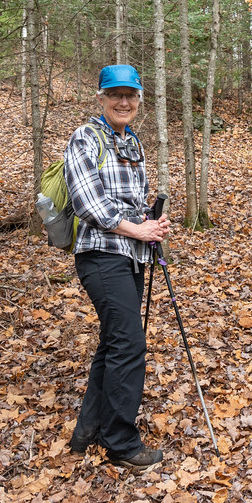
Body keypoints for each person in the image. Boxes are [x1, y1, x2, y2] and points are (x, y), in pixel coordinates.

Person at [64, 64, 170, 472]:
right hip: (100, 255)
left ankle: (87, 431)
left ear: (139, 99)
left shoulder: (131, 140)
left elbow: (132, 203)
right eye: (115, 95)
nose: (124, 102)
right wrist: (137, 229)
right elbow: (88, 204)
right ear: (101, 98)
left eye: (131, 95)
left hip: (131, 255)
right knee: (129, 345)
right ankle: (121, 444)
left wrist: (151, 222)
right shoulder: (85, 139)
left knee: (113, 343)